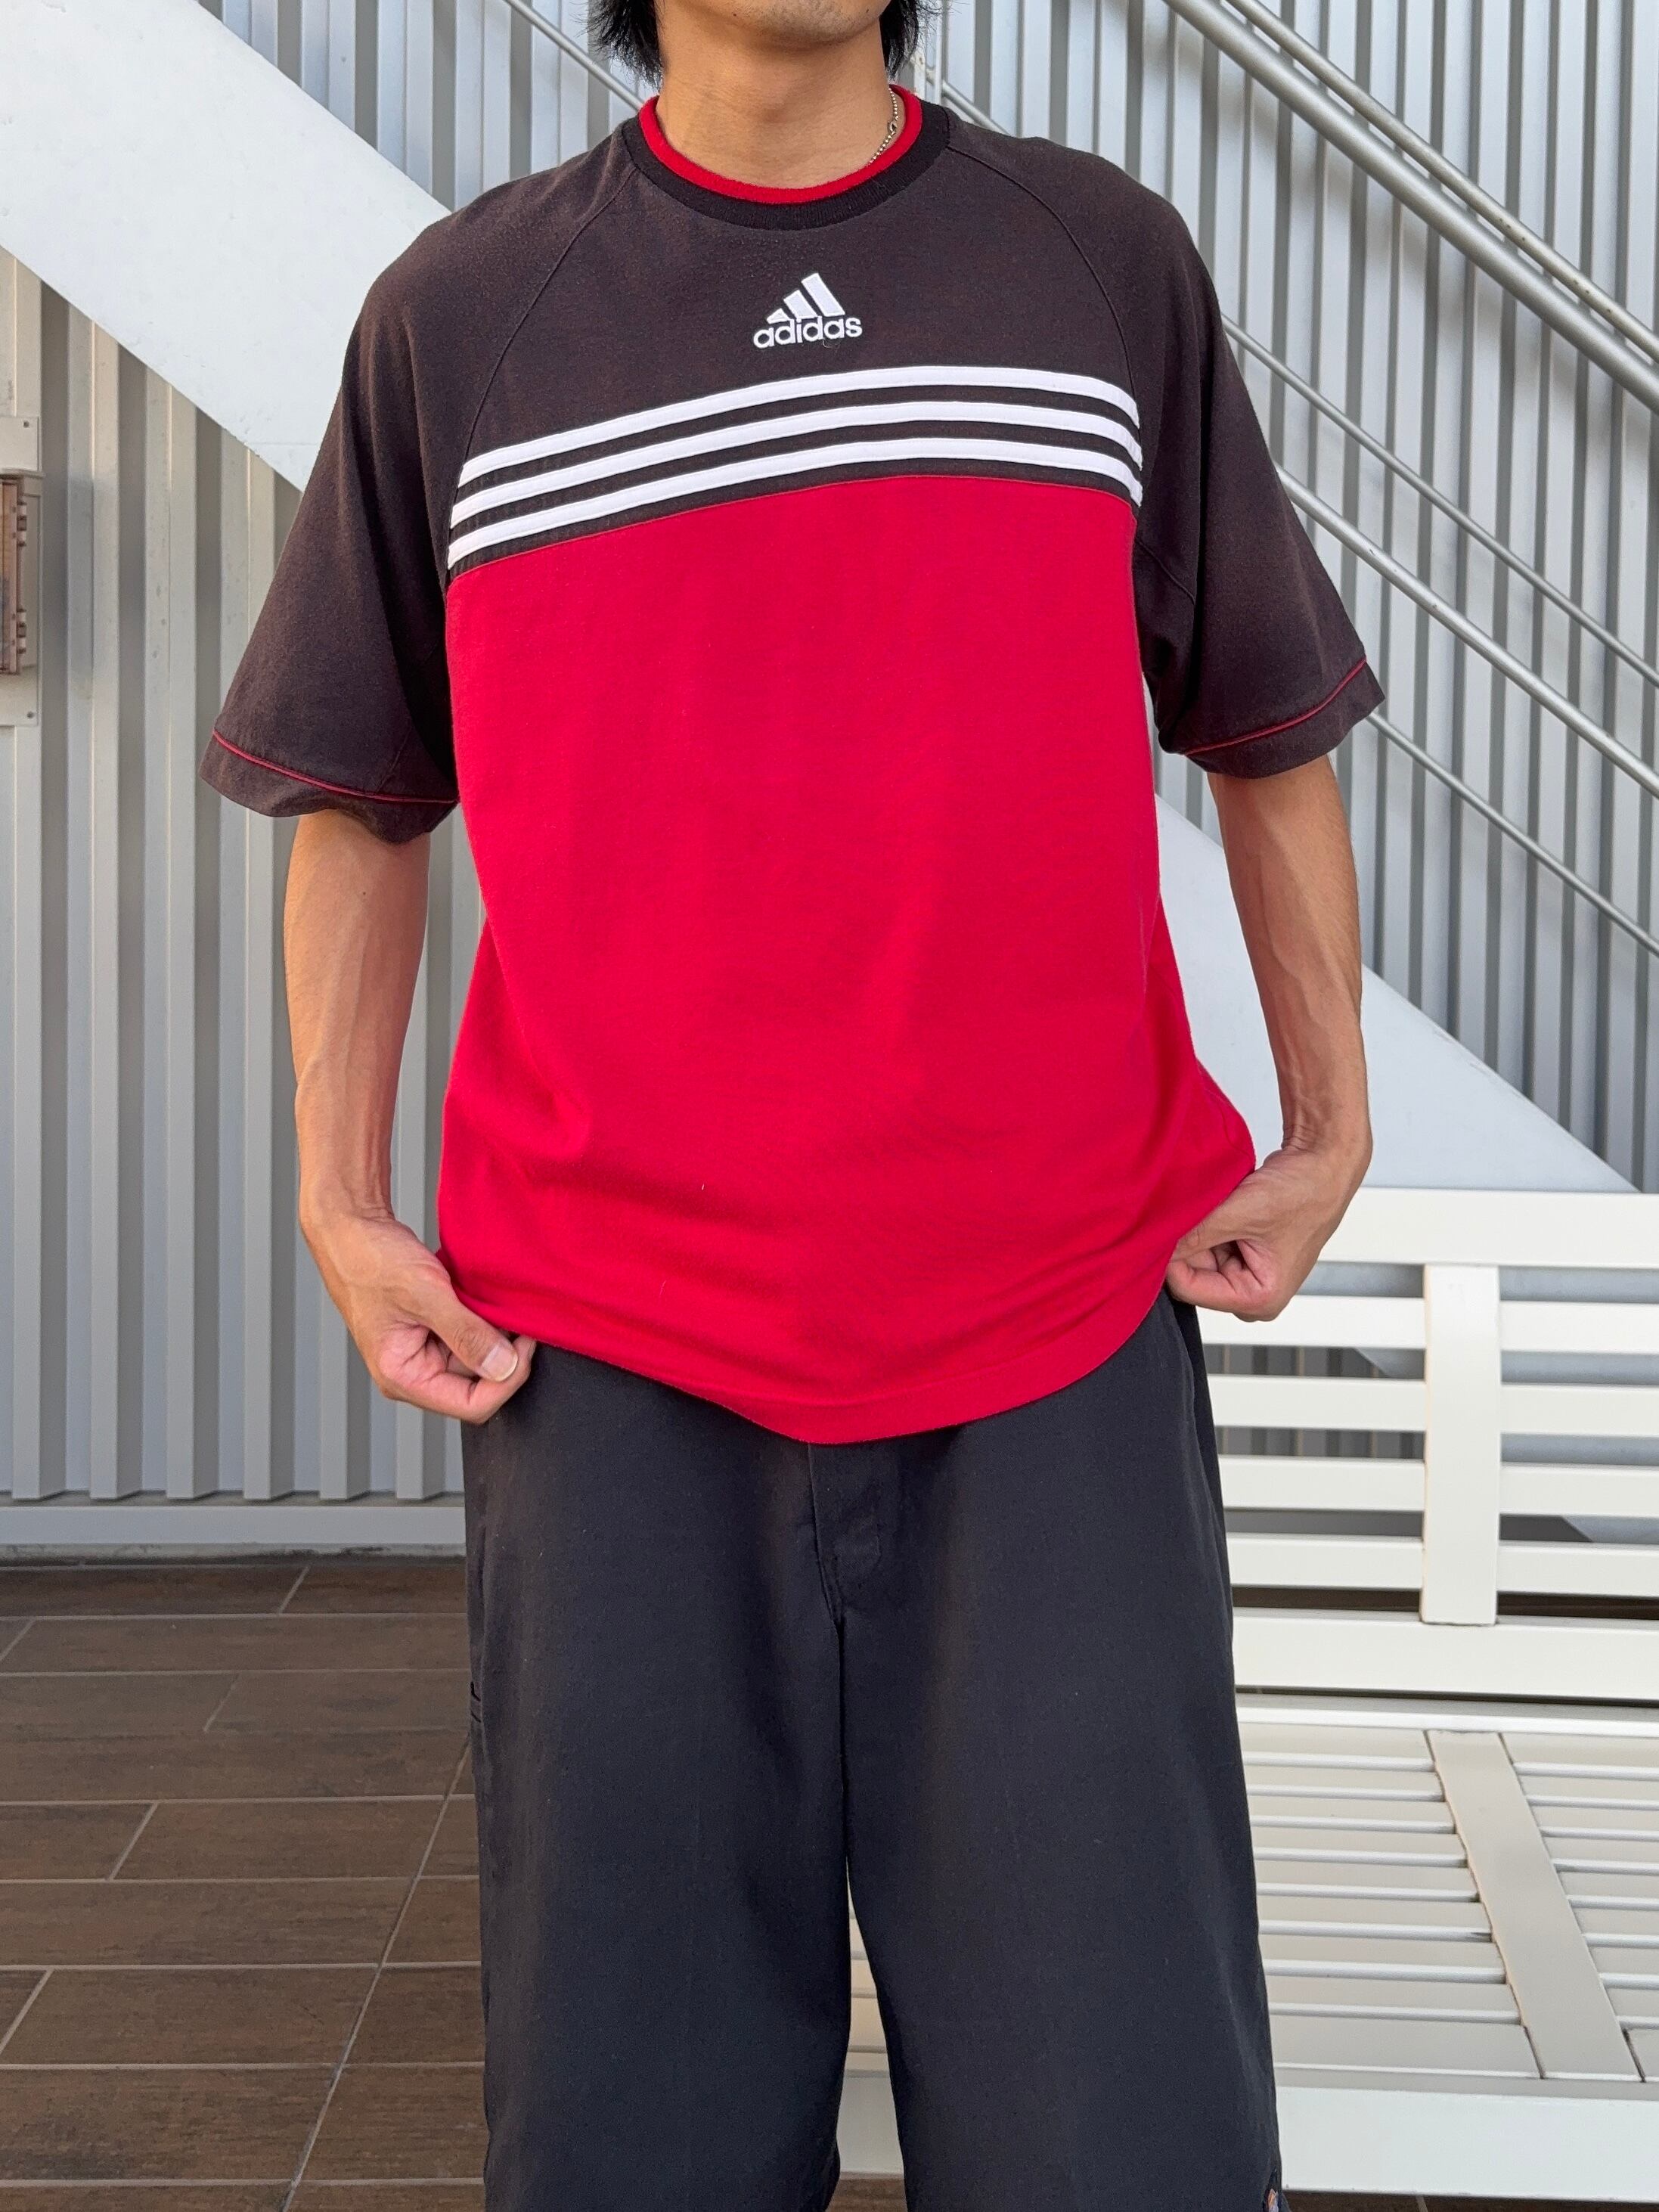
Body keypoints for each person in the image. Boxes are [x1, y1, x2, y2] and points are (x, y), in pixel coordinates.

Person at [201, 0, 1381, 2198]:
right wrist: (339, 1198)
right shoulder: (463, 318)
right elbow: (357, 791)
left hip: (1054, 1347)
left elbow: (1265, 719)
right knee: (631, 2141)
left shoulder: (1093, 264)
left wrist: (1334, 1119)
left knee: (1113, 2138)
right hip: (608, 1365)